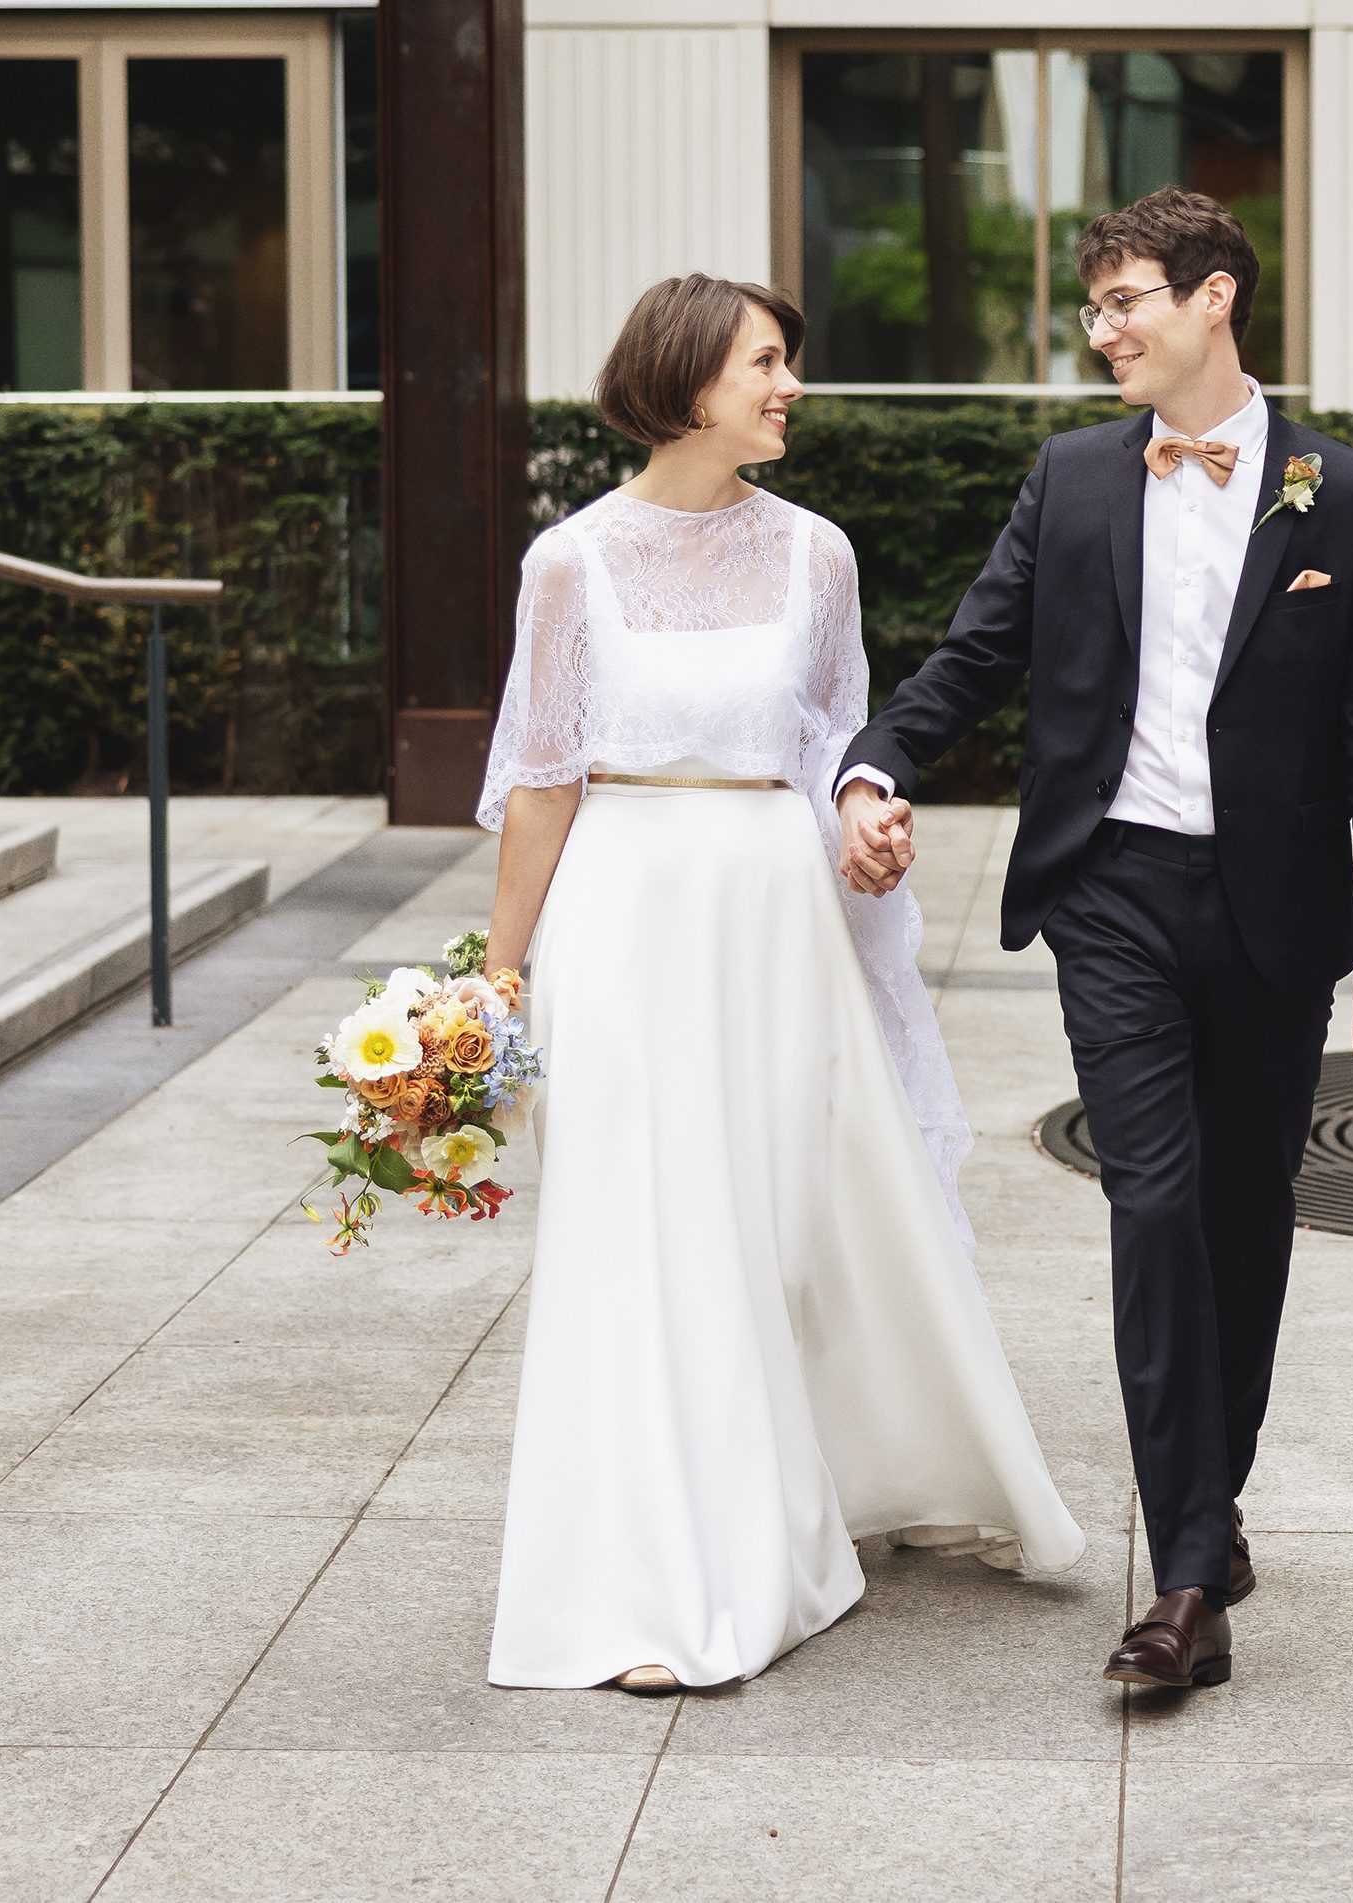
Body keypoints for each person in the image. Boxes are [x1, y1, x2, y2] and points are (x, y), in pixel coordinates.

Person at [833, 188, 1353, 1691]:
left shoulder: (1341, 494)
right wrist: (874, 762)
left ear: (1214, 298)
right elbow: (979, 649)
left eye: (1124, 302)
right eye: (1093, 307)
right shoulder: (1073, 477)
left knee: (1244, 1216)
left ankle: (1205, 1500)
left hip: (1276, 913)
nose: (1100, 332)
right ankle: (1181, 1582)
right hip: (1109, 890)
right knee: (1153, 1203)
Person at [474, 274, 1084, 1696]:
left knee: (761, 1227)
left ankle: (770, 1523)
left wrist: (862, 817)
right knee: (634, 1240)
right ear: (689, 383)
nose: (788, 385)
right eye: (765, 362)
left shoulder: (817, 555)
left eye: (786, 363)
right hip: (621, 923)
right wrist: (496, 980)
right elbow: (542, 782)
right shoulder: (569, 563)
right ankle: (644, 1576)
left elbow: (826, 742)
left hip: (770, 923)